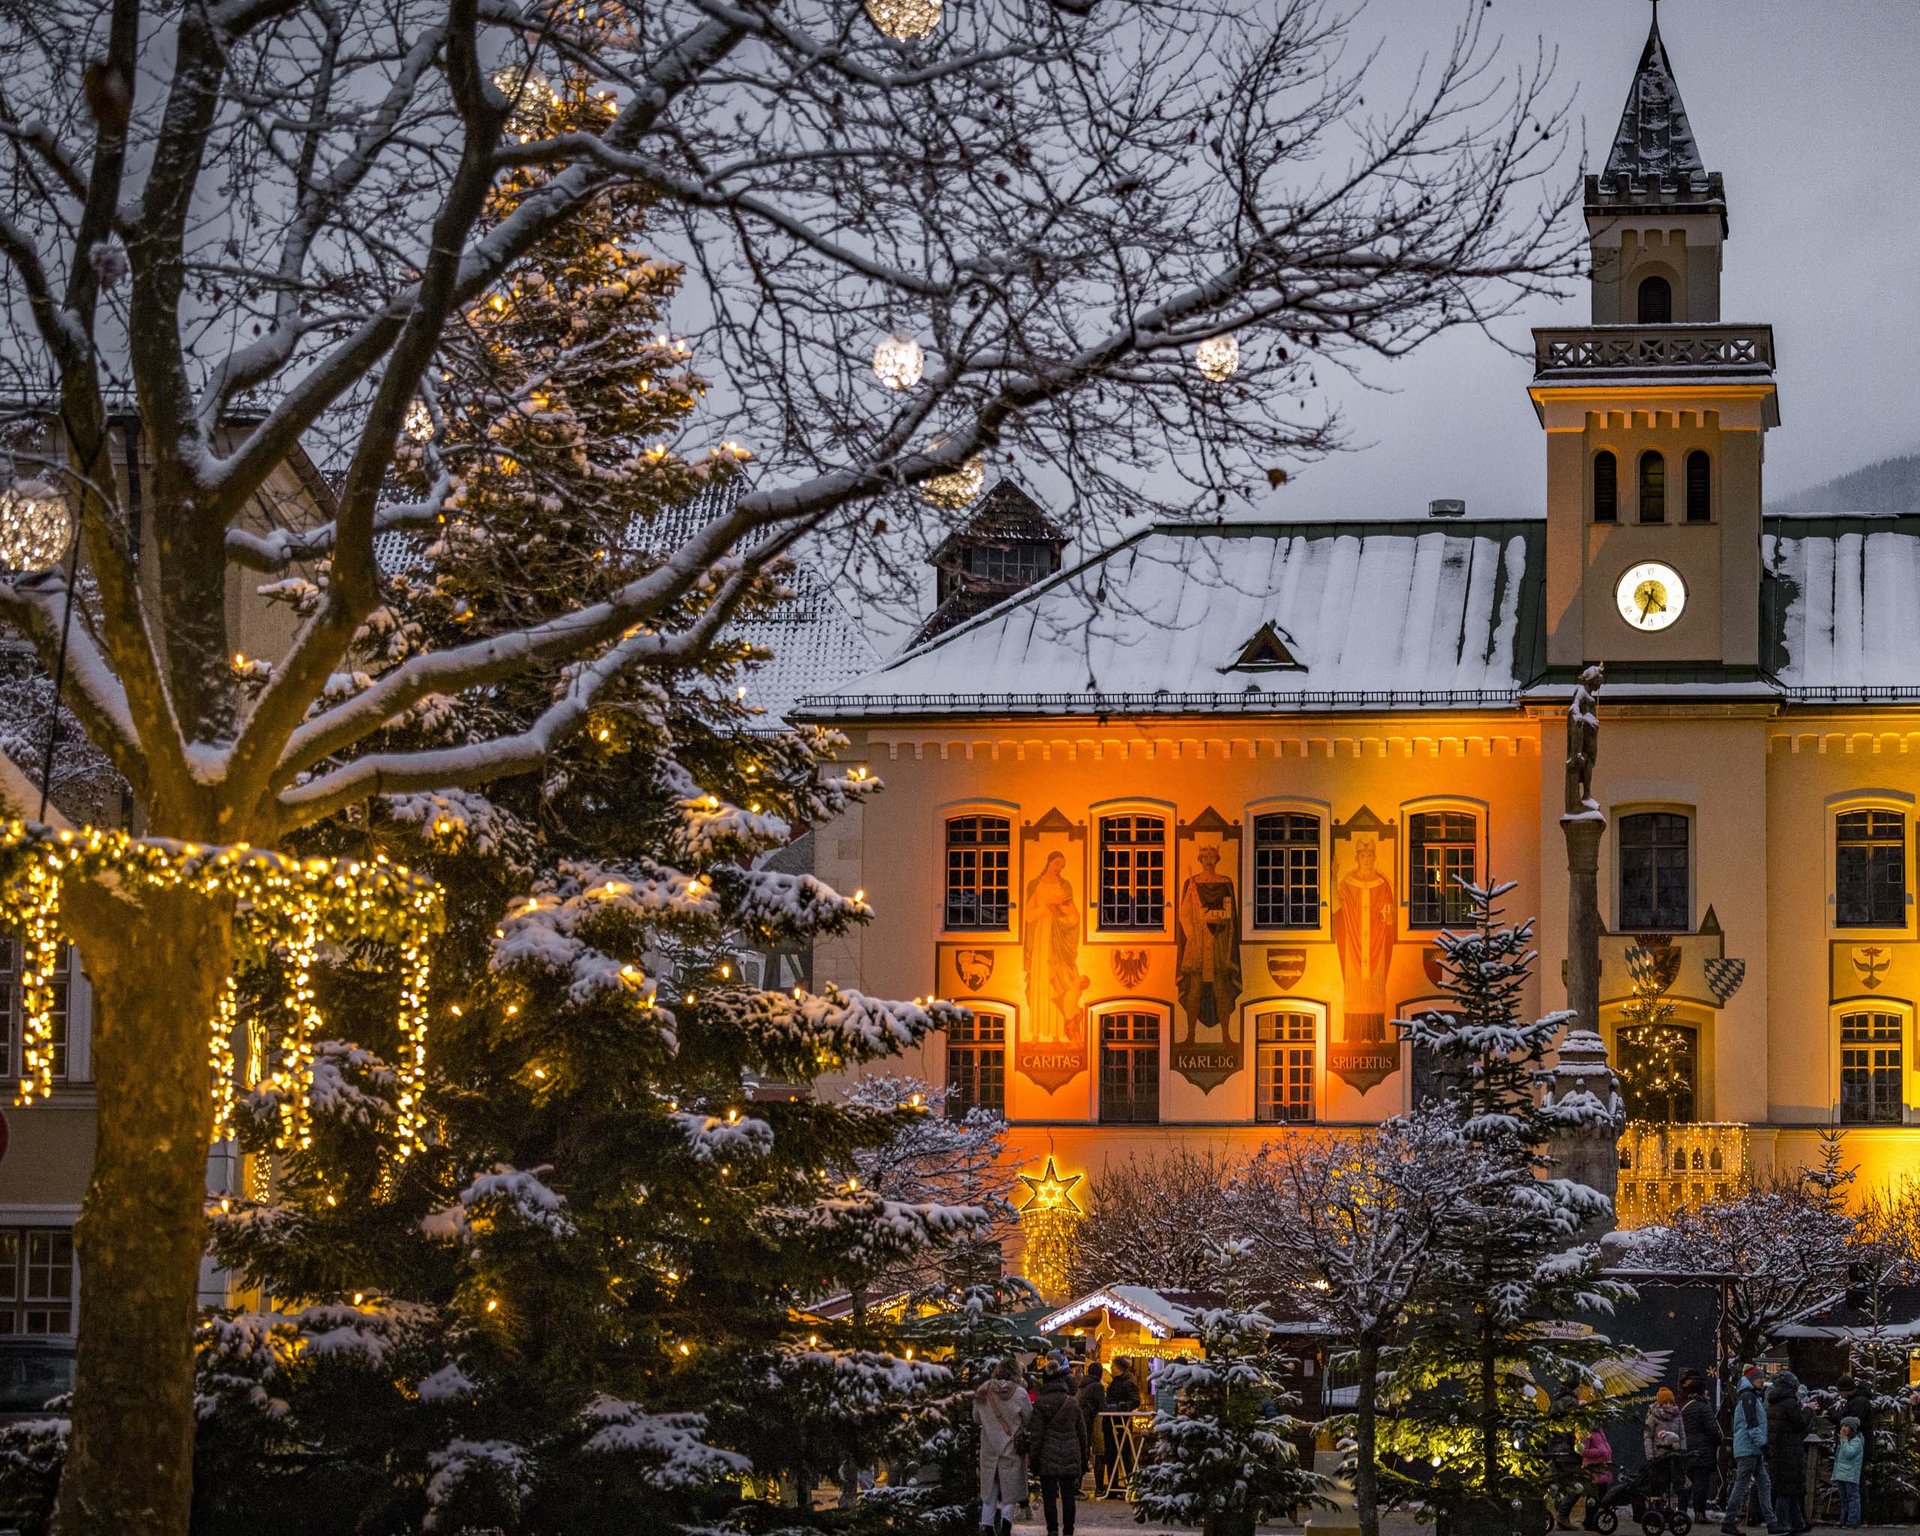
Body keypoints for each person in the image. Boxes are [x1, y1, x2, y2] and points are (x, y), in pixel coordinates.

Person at [1030, 1357, 1090, 1536]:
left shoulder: (1041, 1404)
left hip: (1047, 1455)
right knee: (1068, 1496)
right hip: (1070, 1455)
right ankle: (1069, 1530)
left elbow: (1037, 1435)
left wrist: (1033, 1460)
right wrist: (1084, 1459)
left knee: (1049, 1496)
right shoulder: (1072, 1402)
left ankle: (1052, 1529)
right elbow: (1082, 1433)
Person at [975, 1360, 1032, 1536]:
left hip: (989, 1449)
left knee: (989, 1491)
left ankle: (987, 1526)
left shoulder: (983, 1390)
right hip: (1011, 1449)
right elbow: (1028, 1417)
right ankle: (1006, 1526)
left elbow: (976, 1418)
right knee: (1009, 1491)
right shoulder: (1020, 1393)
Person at [1723, 1365, 1774, 1535]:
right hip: (1749, 1449)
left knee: (1763, 1483)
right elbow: (1751, 1423)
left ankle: (1771, 1521)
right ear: (1753, 1380)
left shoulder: (1750, 1397)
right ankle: (1728, 1520)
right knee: (1743, 1484)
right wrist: (1763, 1444)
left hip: (1752, 1449)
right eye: (1760, 1378)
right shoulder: (1748, 1398)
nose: (1763, 1381)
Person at [1765, 1370, 1810, 1536]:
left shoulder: (1773, 1402)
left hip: (1777, 1450)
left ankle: (1797, 1523)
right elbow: (1801, 1424)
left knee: (1787, 1488)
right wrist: (1808, 1411)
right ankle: (1783, 1523)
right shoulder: (1790, 1403)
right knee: (1787, 1490)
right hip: (1789, 1451)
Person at [1681, 1377, 1723, 1521]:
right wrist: (1719, 1441)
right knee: (1701, 1482)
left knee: (1687, 1481)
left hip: (1688, 1449)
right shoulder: (1704, 1407)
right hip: (1703, 1450)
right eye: (1705, 1389)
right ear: (1701, 1391)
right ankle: (1700, 1513)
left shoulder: (1686, 1407)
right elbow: (1712, 1429)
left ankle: (1681, 1511)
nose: (1708, 1392)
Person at [1644, 1388, 1689, 1505]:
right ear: (1660, 1403)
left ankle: (1676, 1508)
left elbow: (1682, 1435)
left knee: (1678, 1483)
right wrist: (1650, 1456)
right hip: (1660, 1456)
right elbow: (1648, 1437)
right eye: (1665, 1403)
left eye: (1670, 1402)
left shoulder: (1678, 1416)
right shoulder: (1652, 1417)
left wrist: (1683, 1450)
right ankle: (1657, 1507)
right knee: (1660, 1482)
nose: (1668, 1405)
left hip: (1675, 1455)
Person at [1077, 1362, 1107, 1494]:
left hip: (1082, 1421)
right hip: (1094, 1422)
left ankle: (1076, 1486)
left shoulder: (1082, 1385)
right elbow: (1103, 1407)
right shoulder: (1097, 1386)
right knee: (1099, 1453)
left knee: (1082, 1452)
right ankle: (1099, 1487)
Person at [1579, 1426, 1614, 1532]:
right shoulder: (1585, 1432)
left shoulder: (1600, 1432)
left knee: (1602, 1496)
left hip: (1602, 1468)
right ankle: (1589, 1522)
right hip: (1593, 1469)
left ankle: (1595, 1520)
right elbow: (1582, 1450)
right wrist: (1600, 1452)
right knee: (1593, 1497)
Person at [1831, 1417, 1864, 1529]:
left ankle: (1853, 1521)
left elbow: (1848, 1454)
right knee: (1844, 1498)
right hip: (1841, 1474)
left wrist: (1844, 1440)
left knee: (1852, 1498)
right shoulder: (1843, 1441)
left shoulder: (1856, 1441)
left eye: (1846, 1426)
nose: (1843, 1428)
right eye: (1842, 1426)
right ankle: (1843, 1520)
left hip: (1850, 1475)